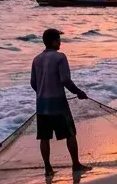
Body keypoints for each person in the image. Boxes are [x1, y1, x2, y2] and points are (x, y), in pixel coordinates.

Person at [30, 28, 91, 174]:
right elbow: (65, 80)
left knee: (44, 138)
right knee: (70, 134)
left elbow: (33, 83)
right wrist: (79, 92)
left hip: (41, 104)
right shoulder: (60, 57)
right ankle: (76, 165)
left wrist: (42, 93)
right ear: (54, 41)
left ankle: (48, 168)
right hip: (58, 103)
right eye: (59, 39)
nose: (60, 43)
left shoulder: (36, 59)